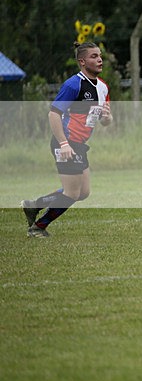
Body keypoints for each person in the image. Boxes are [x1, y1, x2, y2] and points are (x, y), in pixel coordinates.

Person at [22, 42, 113, 237]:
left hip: (79, 145)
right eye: (94, 56)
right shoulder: (74, 84)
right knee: (72, 193)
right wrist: (63, 144)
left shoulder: (103, 87)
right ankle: (38, 227)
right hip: (66, 142)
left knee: (83, 192)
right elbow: (53, 114)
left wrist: (107, 118)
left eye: (100, 56)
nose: (99, 60)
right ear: (82, 61)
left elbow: (106, 120)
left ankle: (34, 206)